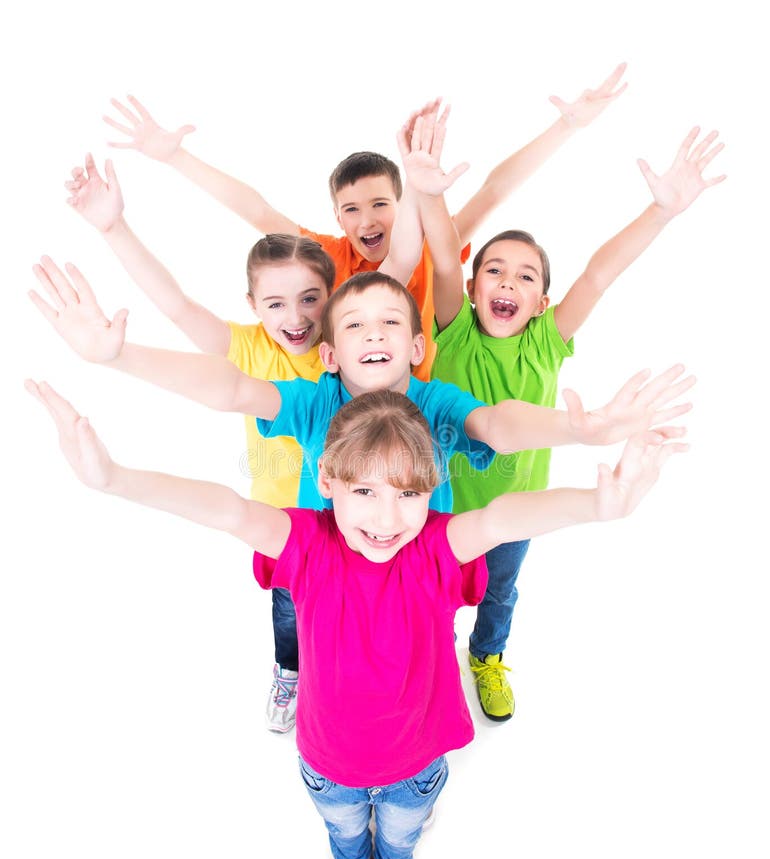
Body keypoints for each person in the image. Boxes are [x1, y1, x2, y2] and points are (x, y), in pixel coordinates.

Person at [25, 381, 688, 859]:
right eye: (364, 491)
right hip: (327, 764)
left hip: (418, 764)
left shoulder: (436, 547)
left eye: (407, 493)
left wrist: (599, 505)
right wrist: (111, 477)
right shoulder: (307, 546)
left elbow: (503, 516)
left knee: (399, 835)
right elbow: (225, 507)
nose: (385, 516)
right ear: (328, 485)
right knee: (344, 833)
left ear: (431, 493)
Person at [59, 150, 414, 733]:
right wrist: (114, 228)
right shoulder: (249, 349)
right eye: (275, 303)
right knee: (289, 613)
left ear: (334, 296)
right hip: (284, 518)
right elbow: (177, 305)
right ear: (254, 307)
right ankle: (291, 671)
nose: (294, 317)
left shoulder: (352, 343)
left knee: (366, 610)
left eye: (310, 300)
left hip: (369, 510)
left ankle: (369, 681)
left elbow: (398, 269)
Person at [398, 107, 725, 721]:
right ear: (472, 292)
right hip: (439, 508)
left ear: (541, 301)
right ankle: (434, 655)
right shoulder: (454, 329)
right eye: (493, 270)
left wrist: (660, 211)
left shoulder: (548, 339)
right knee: (433, 598)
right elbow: (444, 258)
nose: (506, 281)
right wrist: (428, 193)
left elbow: (601, 273)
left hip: (517, 508)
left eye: (524, 277)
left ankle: (487, 657)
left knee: (499, 594)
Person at [26, 260, 695, 520]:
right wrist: (117, 358)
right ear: (329, 353)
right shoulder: (315, 400)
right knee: (301, 630)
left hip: (422, 553)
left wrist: (577, 429)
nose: (373, 333)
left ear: (417, 347)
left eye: (389, 323)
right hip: (324, 548)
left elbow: (499, 424)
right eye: (354, 325)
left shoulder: (438, 406)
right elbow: (231, 389)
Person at [101, 64, 628, 378]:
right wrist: (174, 158)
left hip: (425, 400)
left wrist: (566, 126)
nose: (367, 219)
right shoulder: (326, 259)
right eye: (351, 210)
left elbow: (493, 191)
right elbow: (257, 210)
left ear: (402, 206)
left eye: (380, 204)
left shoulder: (426, 246)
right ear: (337, 217)